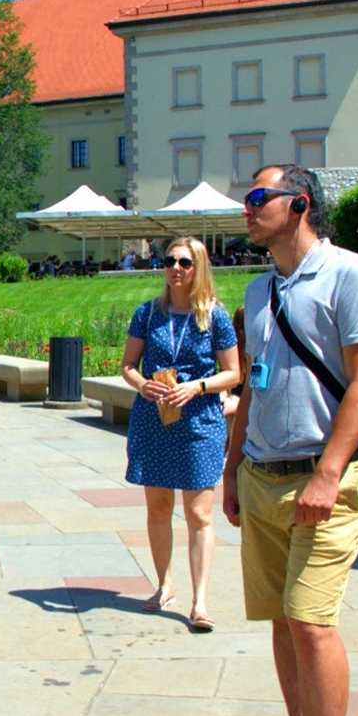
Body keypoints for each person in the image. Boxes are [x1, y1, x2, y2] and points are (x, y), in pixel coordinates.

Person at [222, 165, 358, 716]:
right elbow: (254, 388)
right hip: (263, 475)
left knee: (313, 621)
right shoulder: (261, 289)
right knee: (284, 621)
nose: (248, 209)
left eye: (258, 198)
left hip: (327, 482)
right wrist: (234, 467)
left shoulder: (353, 275)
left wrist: (328, 472)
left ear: (301, 205)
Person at [120, 237, 241, 629]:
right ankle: (164, 584)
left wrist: (199, 386)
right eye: (169, 260)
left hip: (200, 421)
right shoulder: (148, 313)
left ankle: (200, 601)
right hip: (154, 418)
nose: (175, 268)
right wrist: (141, 384)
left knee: (199, 512)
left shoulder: (215, 317)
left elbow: (234, 373)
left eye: (184, 263)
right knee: (158, 508)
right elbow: (128, 365)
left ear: (199, 267)